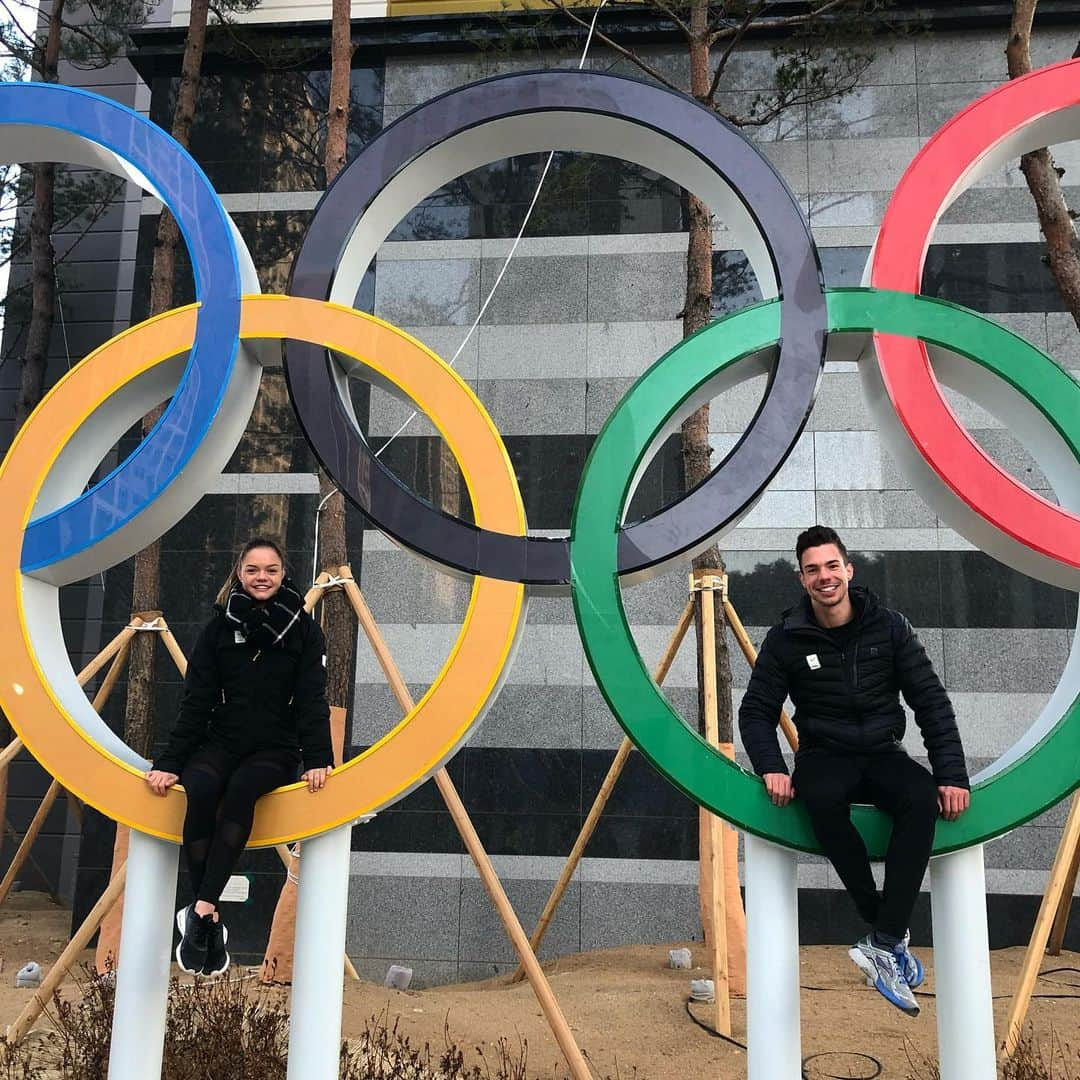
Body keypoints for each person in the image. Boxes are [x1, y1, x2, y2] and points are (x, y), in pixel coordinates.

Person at [737, 525, 970, 1017]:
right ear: (801, 579)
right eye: (812, 570)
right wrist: (771, 767)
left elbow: (930, 702)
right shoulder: (786, 638)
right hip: (824, 755)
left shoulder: (889, 626)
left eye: (831, 566)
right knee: (819, 798)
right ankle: (886, 932)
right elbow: (756, 710)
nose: (824, 577)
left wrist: (951, 774)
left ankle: (883, 942)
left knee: (921, 797)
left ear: (849, 569)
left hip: (885, 752)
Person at [144, 537, 333, 977]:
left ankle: (200, 909)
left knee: (243, 791)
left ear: (284, 574)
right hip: (221, 741)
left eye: (270, 569)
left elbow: (311, 700)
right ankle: (207, 916)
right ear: (239, 574)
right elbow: (196, 701)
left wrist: (318, 758)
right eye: (252, 570)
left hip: (275, 748)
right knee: (203, 787)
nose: (261, 577)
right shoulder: (217, 629)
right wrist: (170, 762)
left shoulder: (304, 631)